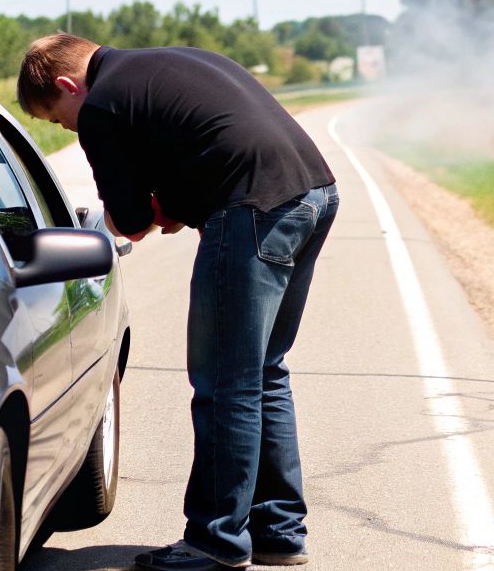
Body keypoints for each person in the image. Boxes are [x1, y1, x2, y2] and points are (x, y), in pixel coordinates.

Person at [17, 34, 338, 570]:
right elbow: (203, 149)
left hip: (253, 208)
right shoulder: (168, 64)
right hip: (313, 193)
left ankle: (215, 541)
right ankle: (278, 532)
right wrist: (172, 205)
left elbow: (132, 221)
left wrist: (132, 215)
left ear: (68, 86)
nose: (68, 129)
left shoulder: (101, 106)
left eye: (57, 119)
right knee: (263, 371)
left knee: (224, 382)